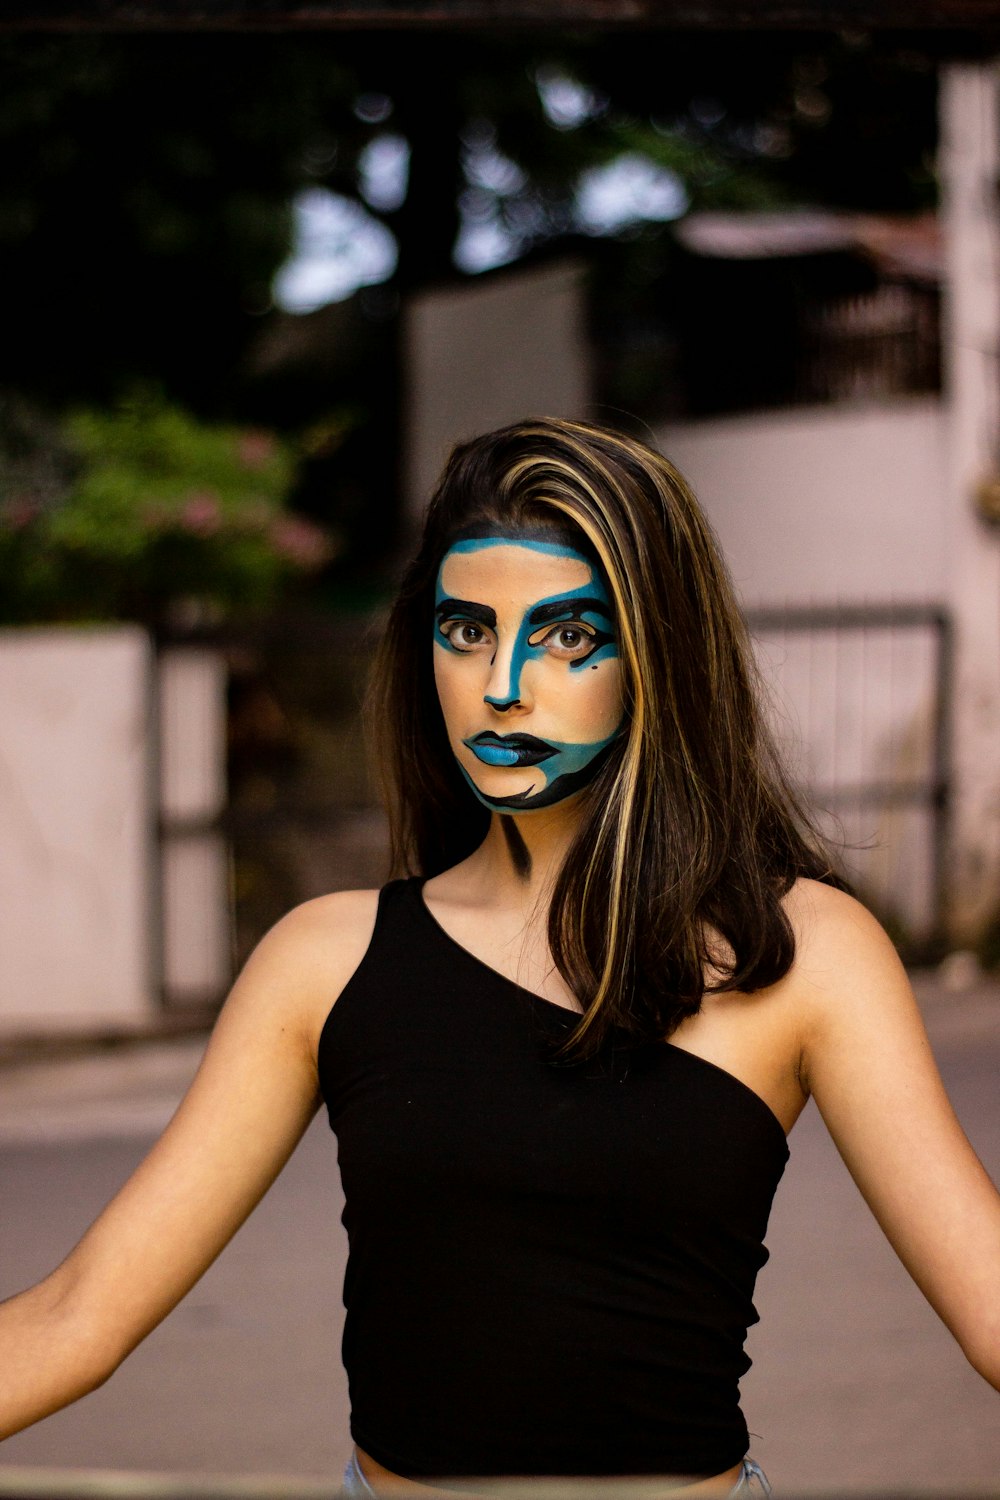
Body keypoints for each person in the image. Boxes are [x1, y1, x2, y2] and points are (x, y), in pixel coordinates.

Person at [0, 417, 998, 1496]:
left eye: (569, 636)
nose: (503, 683)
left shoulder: (801, 953)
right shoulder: (323, 962)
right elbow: (79, 1317)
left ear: (658, 654)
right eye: (466, 631)